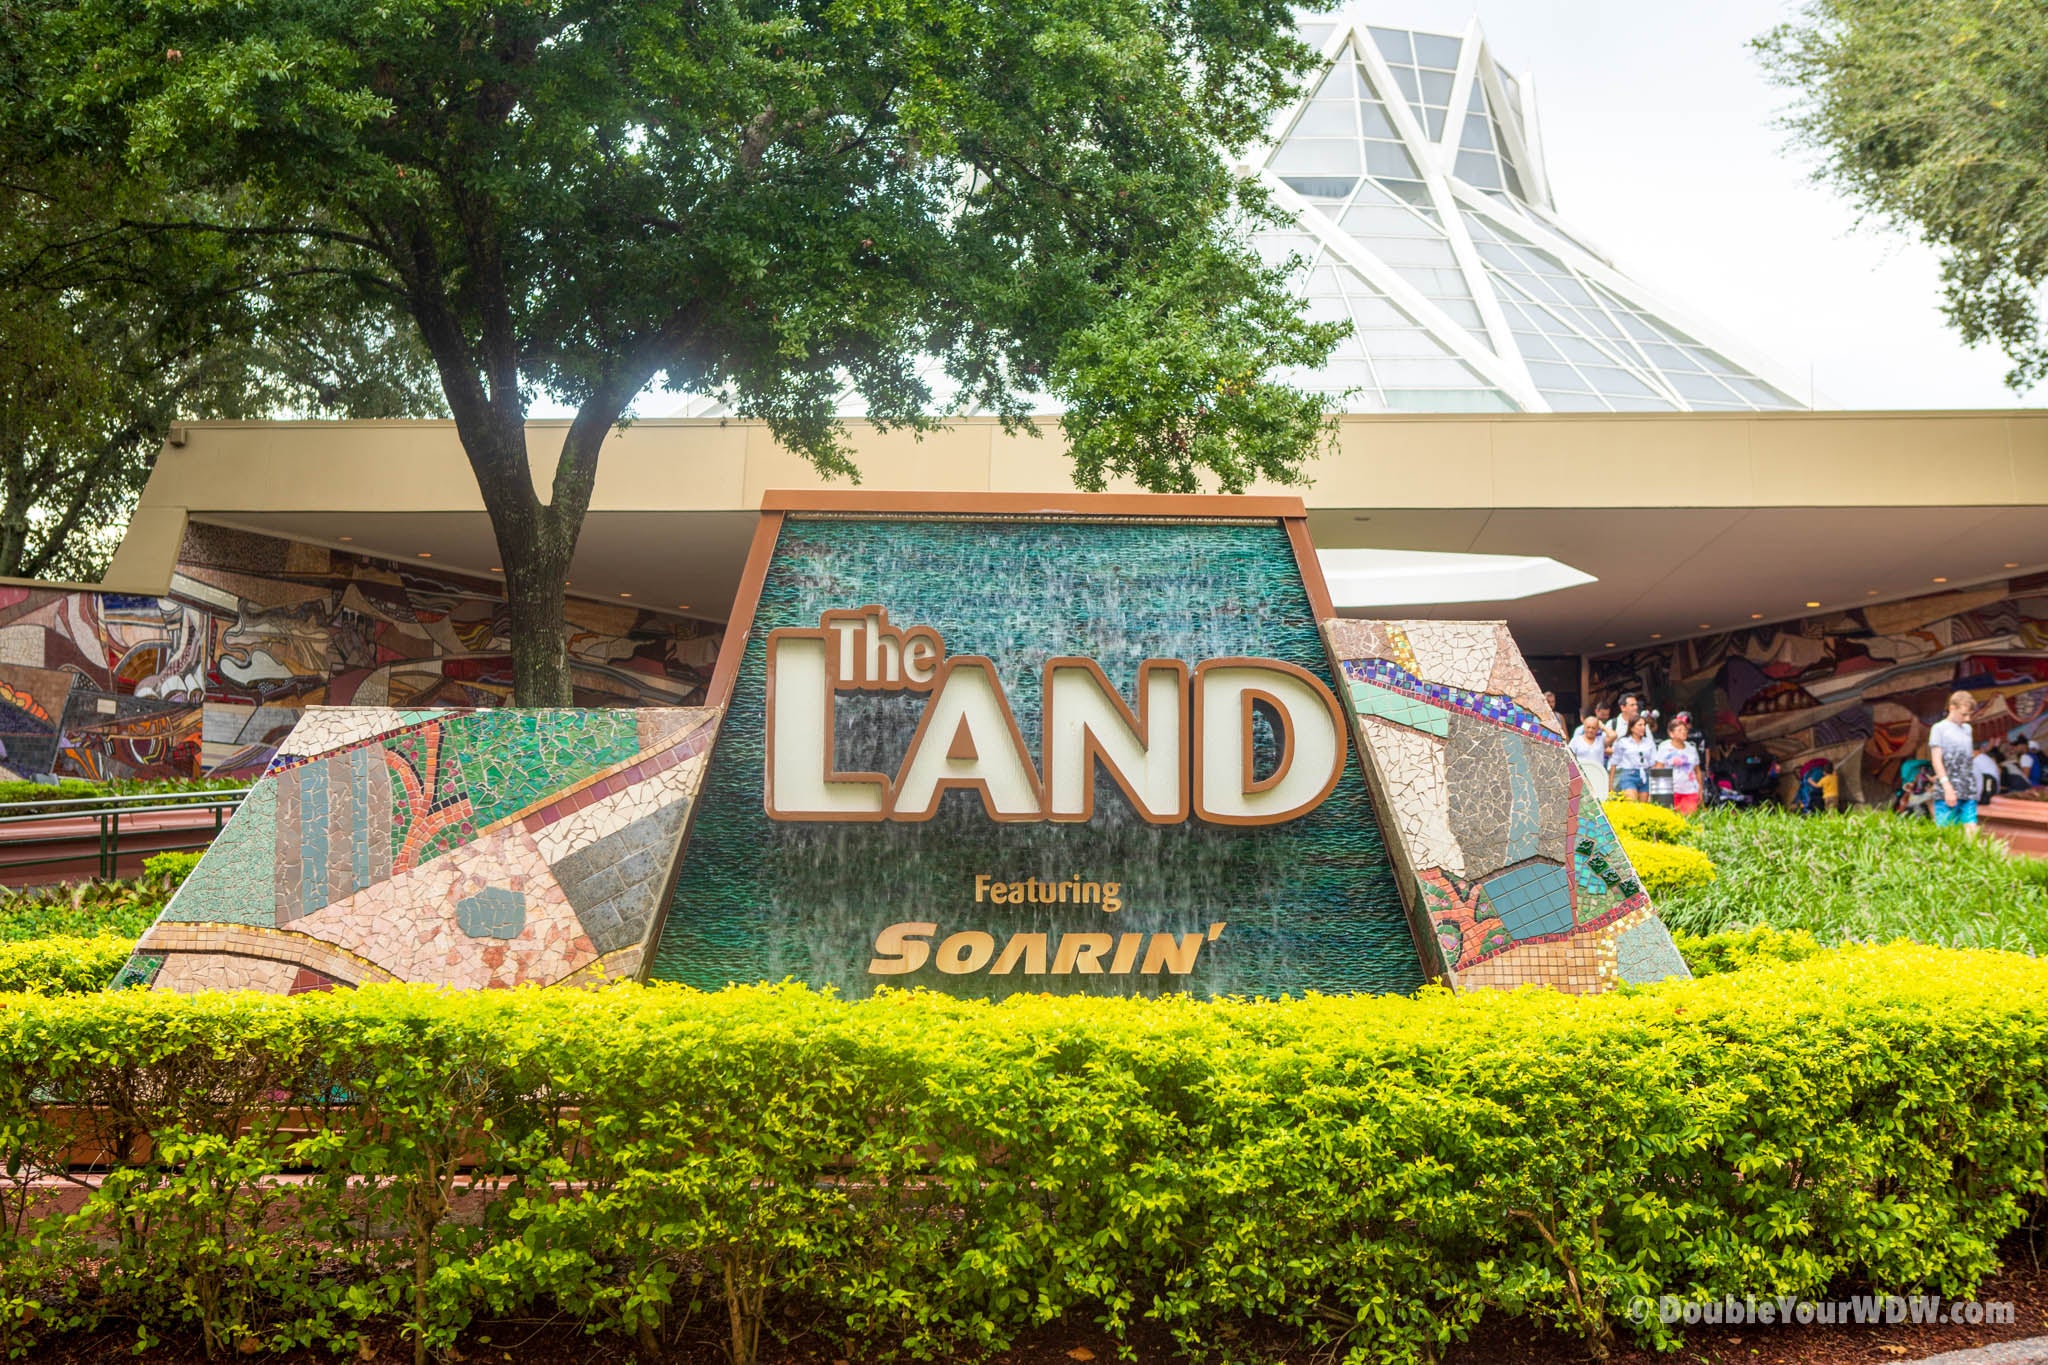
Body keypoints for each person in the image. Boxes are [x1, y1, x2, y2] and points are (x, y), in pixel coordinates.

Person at [1928, 690, 1977, 832]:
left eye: (1969, 714)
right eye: (1964, 714)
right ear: (1952, 708)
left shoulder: (1967, 729)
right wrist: (1947, 786)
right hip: (1948, 787)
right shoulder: (1939, 728)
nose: (1967, 718)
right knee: (1946, 832)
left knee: (1971, 829)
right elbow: (1936, 760)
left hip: (1967, 787)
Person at [1654, 713, 1703, 816]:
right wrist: (1657, 793)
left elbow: (1697, 771)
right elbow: (1659, 769)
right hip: (1671, 790)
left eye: (1685, 730)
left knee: (1689, 818)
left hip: (1690, 790)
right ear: (1671, 733)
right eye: (1680, 730)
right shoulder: (1664, 747)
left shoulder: (1691, 748)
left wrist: (1700, 790)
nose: (1684, 732)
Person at [1608, 714, 1655, 801]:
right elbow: (1614, 763)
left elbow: (1653, 764)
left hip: (1645, 774)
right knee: (1631, 803)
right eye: (1640, 725)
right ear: (1632, 728)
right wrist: (1610, 785)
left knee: (1643, 808)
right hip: (1629, 775)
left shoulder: (1649, 742)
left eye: (1644, 725)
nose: (1643, 727)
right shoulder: (1623, 742)